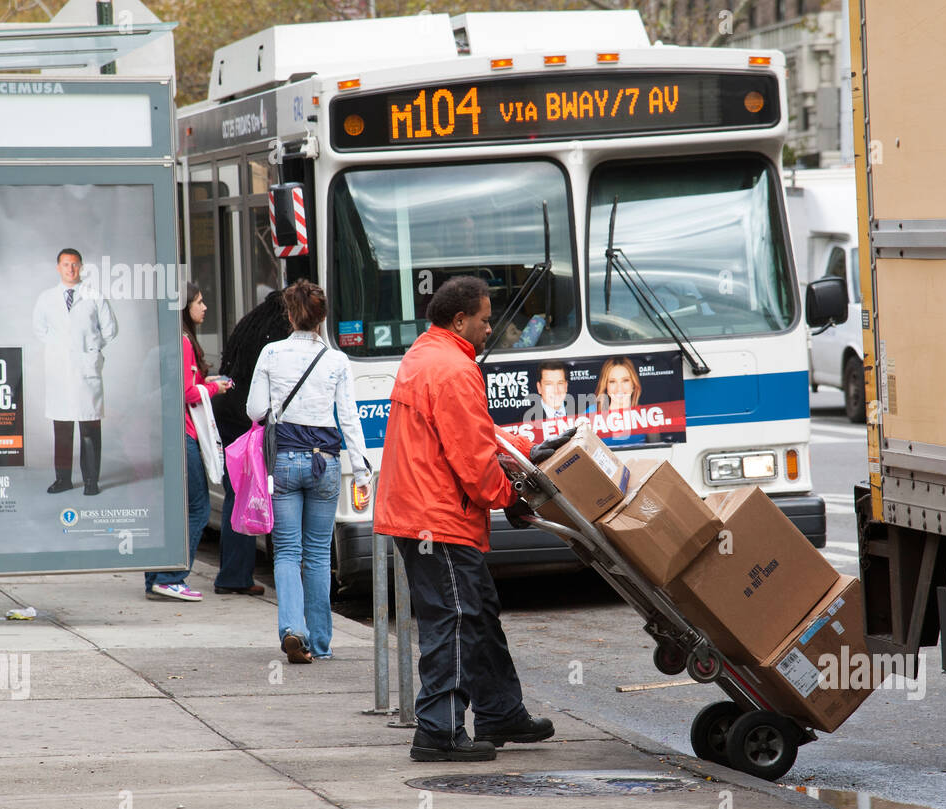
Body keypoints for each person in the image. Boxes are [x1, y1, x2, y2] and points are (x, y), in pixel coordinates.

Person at [375, 275, 572, 762]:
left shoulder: (427, 355)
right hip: (436, 518)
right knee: (456, 620)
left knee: (477, 612)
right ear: (460, 320)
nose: (491, 329)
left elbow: (475, 435)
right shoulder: (454, 370)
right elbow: (473, 460)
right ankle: (438, 731)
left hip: (421, 511)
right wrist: (510, 496)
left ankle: (501, 710)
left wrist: (524, 451)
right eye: (485, 321)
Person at [246, 280, 371, 664]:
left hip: (284, 460)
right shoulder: (336, 361)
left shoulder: (271, 352)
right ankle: (320, 643)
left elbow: (254, 411)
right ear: (322, 317)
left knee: (286, 552)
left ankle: (291, 630)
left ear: (289, 314)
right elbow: (349, 418)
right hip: (326, 463)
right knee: (318, 555)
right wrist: (362, 473)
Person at [144, 283, 231, 601]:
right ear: (185, 309)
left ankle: (156, 577)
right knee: (198, 507)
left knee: (172, 508)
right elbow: (185, 392)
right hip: (184, 436)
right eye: (199, 301)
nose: (205, 307)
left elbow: (184, 382)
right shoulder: (183, 342)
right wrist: (214, 390)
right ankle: (172, 576)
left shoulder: (173, 340)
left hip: (170, 434)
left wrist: (204, 381)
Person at [209, 290, 293, 596]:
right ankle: (236, 575)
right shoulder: (278, 335)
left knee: (239, 493)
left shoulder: (249, 323)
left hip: (227, 411)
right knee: (259, 492)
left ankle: (234, 572)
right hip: (248, 419)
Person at [32, 247, 118, 495]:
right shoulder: (46, 298)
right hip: (60, 371)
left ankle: (91, 482)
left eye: (75, 264)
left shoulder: (94, 296)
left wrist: (92, 349)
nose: (70, 269)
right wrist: (60, 348)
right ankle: (63, 480)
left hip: (85, 370)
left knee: (89, 427)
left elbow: (110, 330)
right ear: (58, 267)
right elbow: (40, 330)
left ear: (81, 267)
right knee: (62, 428)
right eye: (66, 264)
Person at [592, 356, 647, 445]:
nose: (619, 388)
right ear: (606, 386)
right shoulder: (592, 413)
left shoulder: (647, 414)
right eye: (612, 381)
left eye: (625, 380)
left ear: (633, 384)